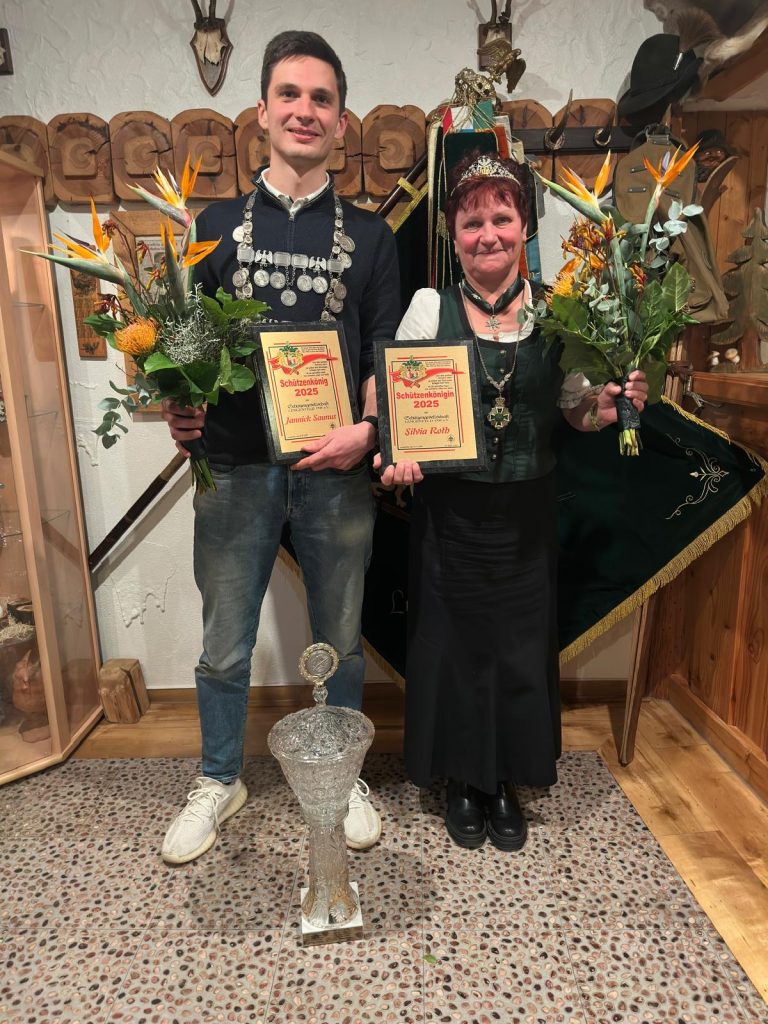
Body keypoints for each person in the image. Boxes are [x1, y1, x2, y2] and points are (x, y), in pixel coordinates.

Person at [160, 31, 400, 864]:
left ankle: (343, 769)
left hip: (337, 470)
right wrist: (178, 403)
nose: (305, 110)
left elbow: (380, 354)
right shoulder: (211, 226)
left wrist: (370, 430)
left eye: (321, 99)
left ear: (342, 123)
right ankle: (219, 777)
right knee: (224, 641)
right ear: (261, 112)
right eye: (289, 95)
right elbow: (184, 348)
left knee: (341, 633)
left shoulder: (372, 237)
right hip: (233, 465)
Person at [379, 151, 647, 851]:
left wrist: (605, 409)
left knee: (518, 646)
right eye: (472, 223)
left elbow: (576, 408)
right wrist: (396, 448)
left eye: (502, 217)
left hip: (528, 513)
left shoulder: (557, 310)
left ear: (524, 225)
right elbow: (398, 401)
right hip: (449, 514)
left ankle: (503, 779)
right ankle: (463, 780)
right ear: (452, 234)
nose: (488, 234)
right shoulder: (429, 308)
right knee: (454, 644)